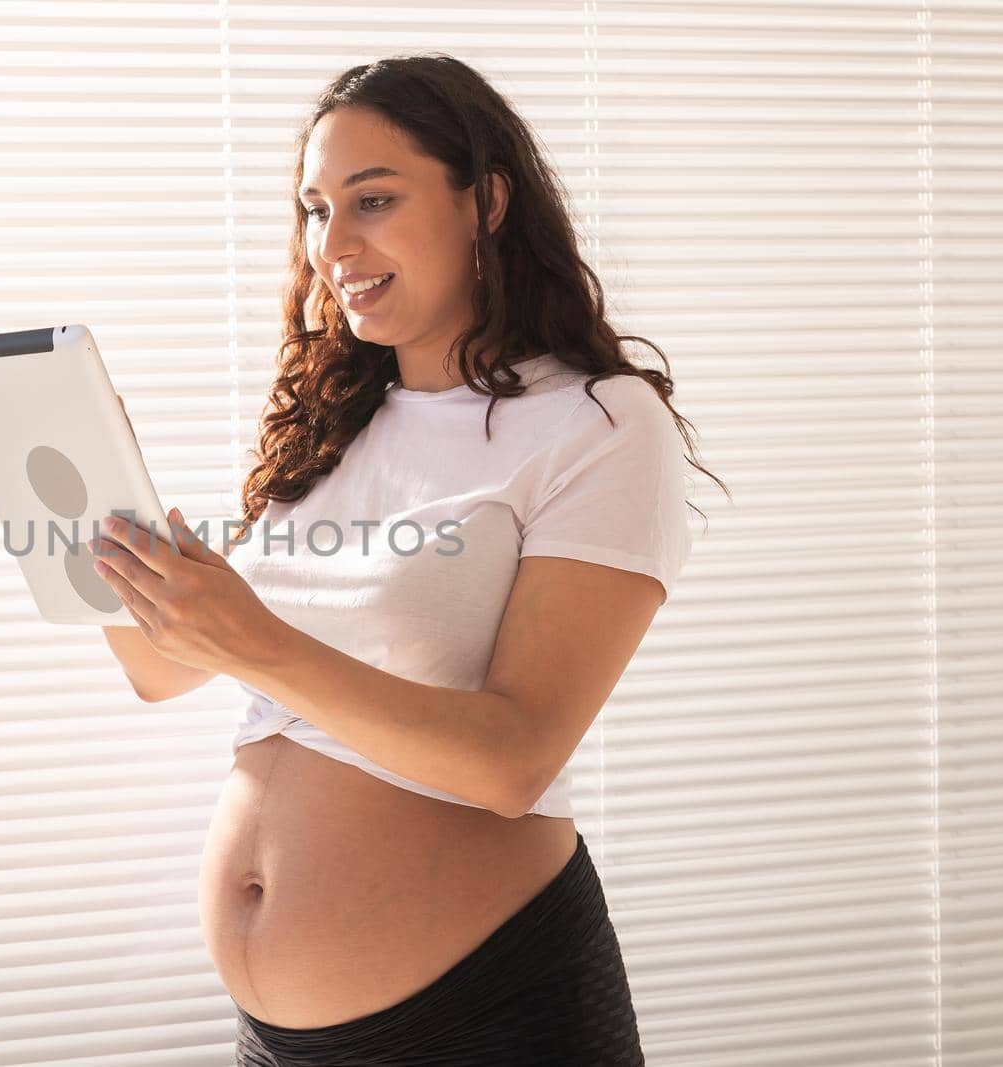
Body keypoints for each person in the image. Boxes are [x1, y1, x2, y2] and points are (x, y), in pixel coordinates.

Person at [90, 51, 728, 1066]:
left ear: (485, 202)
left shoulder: (598, 421)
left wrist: (255, 639)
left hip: (485, 1013)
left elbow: (512, 761)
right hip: (278, 1035)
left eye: (372, 199)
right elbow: (159, 669)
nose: (333, 243)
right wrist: (103, 513)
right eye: (312, 209)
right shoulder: (335, 426)